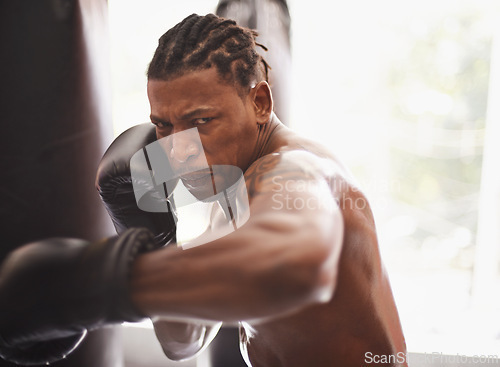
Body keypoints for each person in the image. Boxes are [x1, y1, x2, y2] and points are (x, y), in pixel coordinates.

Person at [0, 12, 407, 367]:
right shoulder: (226, 185)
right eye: (163, 125)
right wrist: (153, 238)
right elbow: (183, 339)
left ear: (260, 103)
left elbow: (297, 265)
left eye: (200, 122)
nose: (180, 151)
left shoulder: (296, 170)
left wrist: (87, 285)